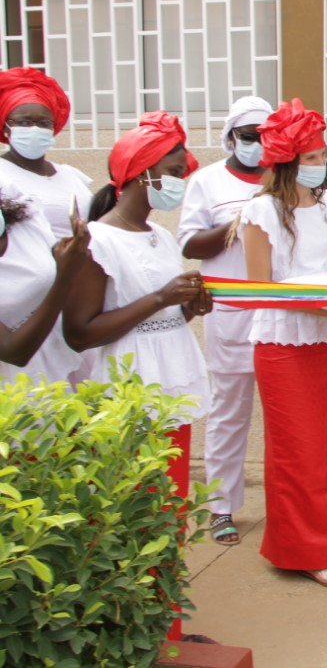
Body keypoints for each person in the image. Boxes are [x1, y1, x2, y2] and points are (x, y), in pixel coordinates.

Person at [62, 111, 212, 640]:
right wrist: (160, 298)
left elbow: (166, 315)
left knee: (167, 518)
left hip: (171, 390)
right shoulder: (98, 244)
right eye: (171, 170)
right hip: (128, 401)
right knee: (135, 520)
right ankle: (139, 633)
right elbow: (80, 332)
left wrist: (192, 306)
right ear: (140, 173)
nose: (178, 180)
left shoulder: (159, 237)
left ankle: (163, 624)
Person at [238, 98, 327, 588]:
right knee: (295, 450)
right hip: (283, 342)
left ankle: (307, 545)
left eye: (322, 155)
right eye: (309, 158)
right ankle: (305, 550)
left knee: (318, 449)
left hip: (323, 338)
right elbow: (262, 290)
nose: (319, 164)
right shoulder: (261, 211)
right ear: (287, 161)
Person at [177, 95, 271, 547]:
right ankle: (221, 507)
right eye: (249, 137)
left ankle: (285, 508)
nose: (257, 145)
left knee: (282, 417)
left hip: (277, 315)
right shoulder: (206, 182)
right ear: (231, 137)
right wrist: (239, 220)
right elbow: (191, 245)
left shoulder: (283, 179)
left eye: (264, 136)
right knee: (229, 414)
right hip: (230, 315)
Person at [0, 189, 87, 383]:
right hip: (20, 383)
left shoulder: (26, 218)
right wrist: (65, 276)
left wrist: (71, 251)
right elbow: (14, 353)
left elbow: (53, 262)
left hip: (68, 352)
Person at [0, 67, 93, 236]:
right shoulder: (3, 175)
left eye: (44, 123)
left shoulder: (71, 175)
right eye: (24, 122)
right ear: (6, 128)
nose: (35, 129)